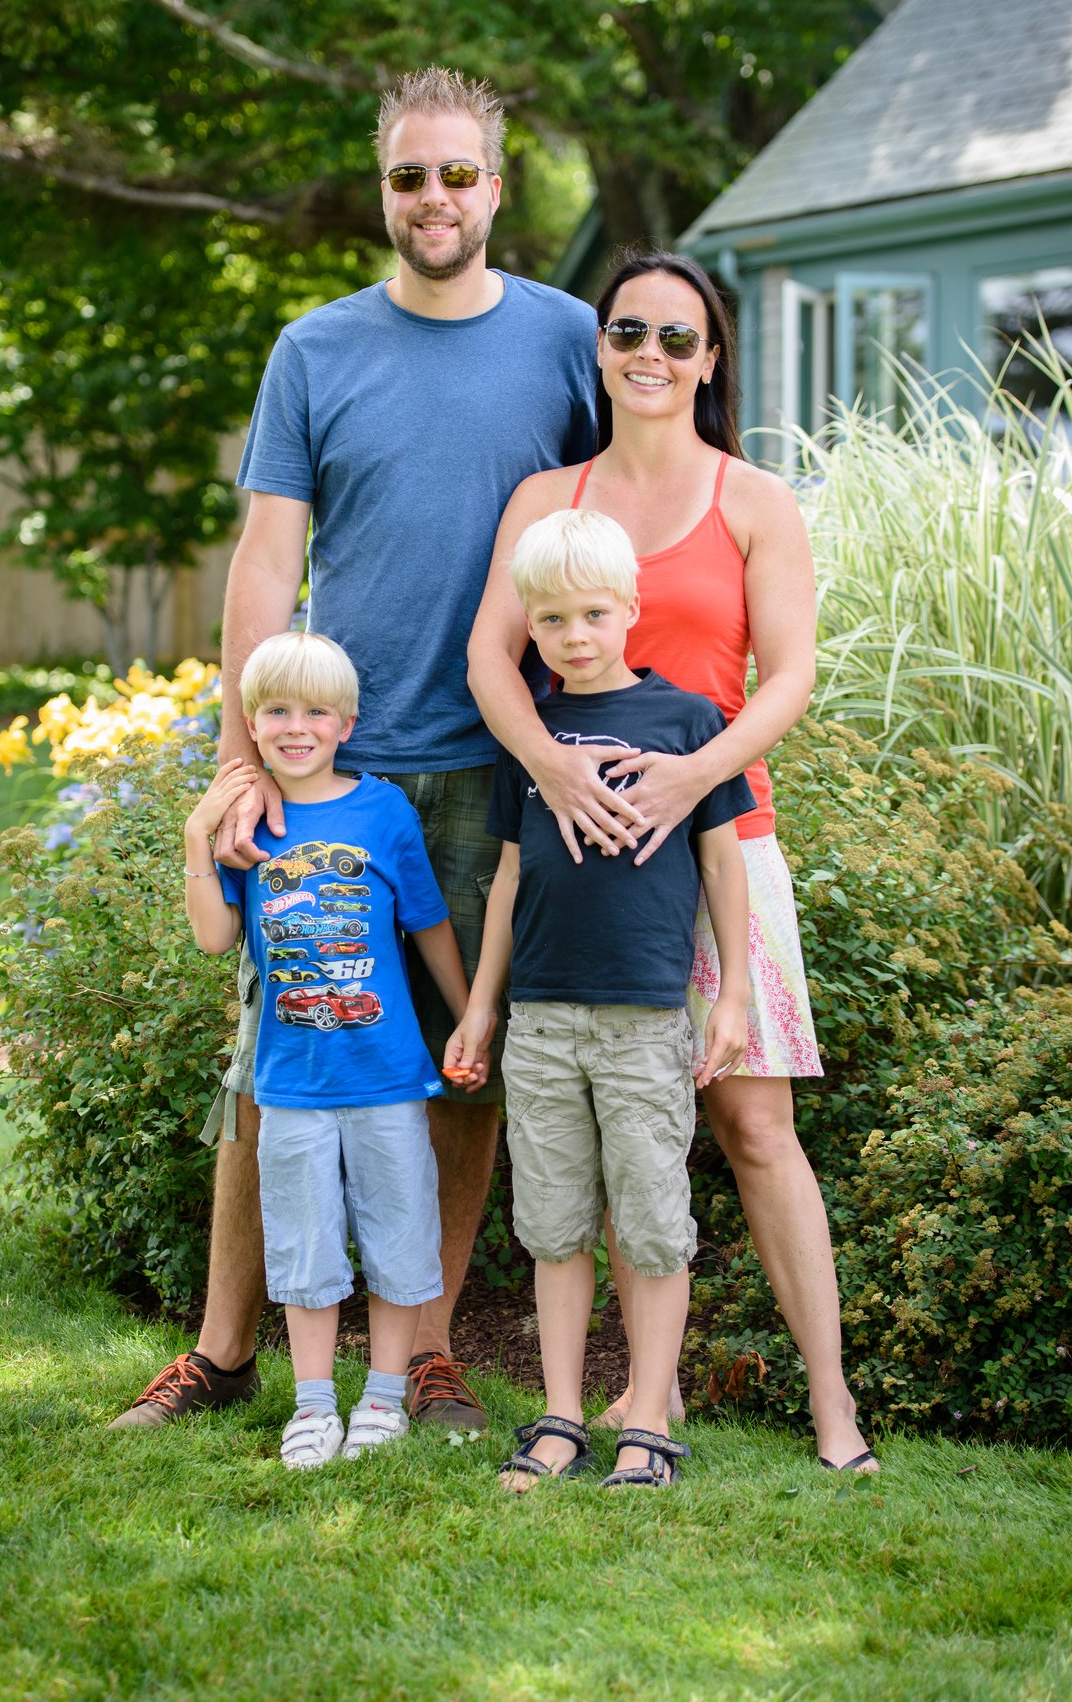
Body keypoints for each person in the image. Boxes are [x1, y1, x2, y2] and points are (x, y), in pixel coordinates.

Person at [110, 66, 597, 1431]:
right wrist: (238, 760)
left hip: (502, 757)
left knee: (458, 1062)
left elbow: (613, 533)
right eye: (406, 176)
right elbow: (267, 561)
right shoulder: (314, 350)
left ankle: (424, 1352)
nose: (432, 197)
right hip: (332, 758)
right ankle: (220, 1353)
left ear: (497, 187)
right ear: (382, 190)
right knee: (273, 1056)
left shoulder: (568, 341)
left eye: (456, 174)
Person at [466, 250, 878, 1473]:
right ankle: (647, 1397)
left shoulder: (753, 499)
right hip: (582, 860)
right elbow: (494, 660)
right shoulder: (548, 495)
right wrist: (548, 766)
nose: (649, 354)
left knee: (754, 1128)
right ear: (600, 346)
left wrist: (698, 774)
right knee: (600, 1129)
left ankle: (830, 1400)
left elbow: (791, 673)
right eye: (626, 330)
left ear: (709, 360)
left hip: (719, 849)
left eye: (676, 338)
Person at [448, 510, 754, 1490]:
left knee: (655, 1220)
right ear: (527, 628)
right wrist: (481, 1006)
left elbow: (721, 862)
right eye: (549, 620)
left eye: (590, 613)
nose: (572, 635)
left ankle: (648, 1423)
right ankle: (561, 1417)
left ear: (628, 607)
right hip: (540, 1016)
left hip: (641, 1015)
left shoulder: (685, 723)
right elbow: (506, 879)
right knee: (551, 1222)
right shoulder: (528, 736)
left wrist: (735, 995)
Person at [182, 631, 471, 1466]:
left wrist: (466, 1018)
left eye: (315, 710)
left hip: (387, 1077)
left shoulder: (383, 811)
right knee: (305, 1245)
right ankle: (313, 1407)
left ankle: (382, 1395)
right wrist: (197, 837)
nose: (295, 726)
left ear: (347, 723)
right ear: (252, 720)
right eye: (276, 710)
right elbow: (213, 938)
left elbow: (427, 923)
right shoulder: (247, 820)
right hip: (291, 1082)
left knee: (397, 1234)